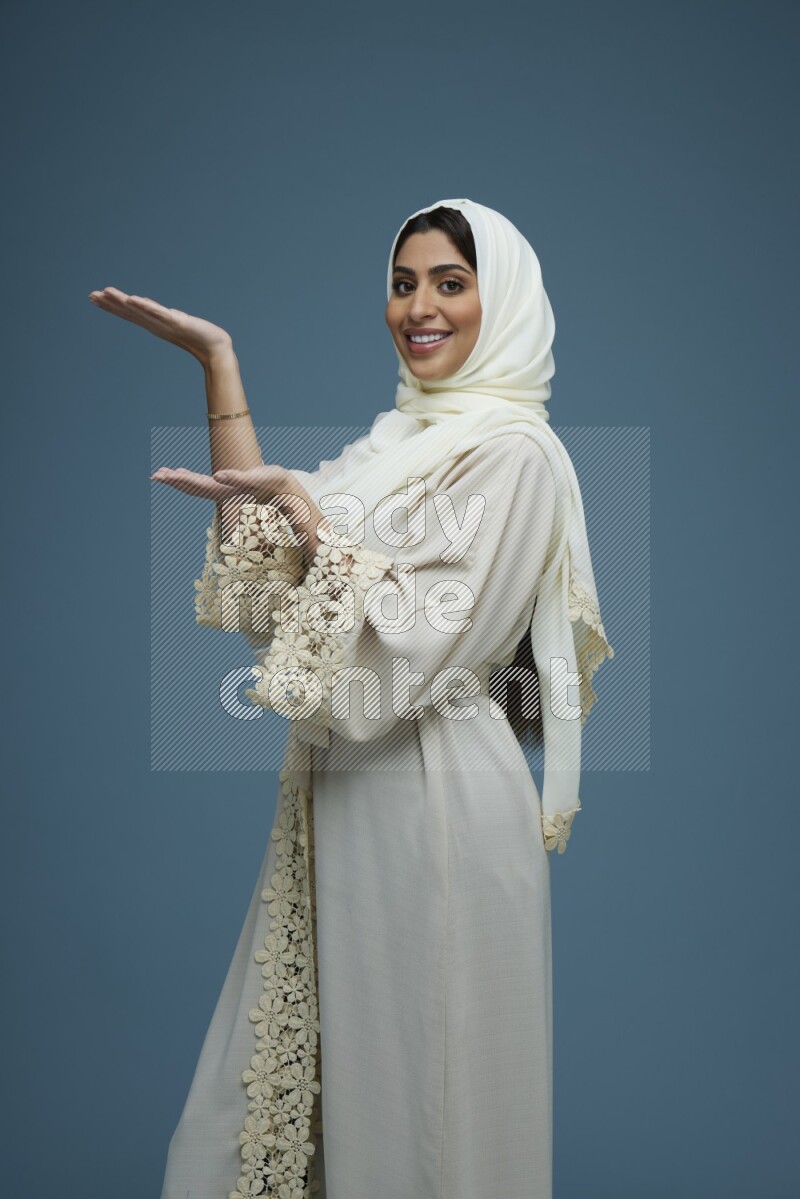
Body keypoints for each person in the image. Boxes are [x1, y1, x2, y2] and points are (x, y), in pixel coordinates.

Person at [89, 197, 613, 1199]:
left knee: (421, 1113)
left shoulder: (514, 456)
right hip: (341, 793)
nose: (419, 306)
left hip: (436, 800)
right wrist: (219, 364)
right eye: (403, 283)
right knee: (299, 1109)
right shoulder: (393, 448)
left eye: (450, 283)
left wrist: (305, 515)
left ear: (501, 301)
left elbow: (414, 643)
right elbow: (263, 582)